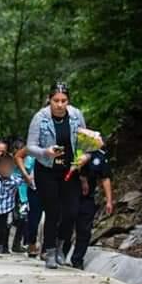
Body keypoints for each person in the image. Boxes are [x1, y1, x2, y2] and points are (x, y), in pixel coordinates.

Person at [25, 81, 90, 269]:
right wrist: (45, 152)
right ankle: (50, 251)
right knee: (52, 211)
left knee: (71, 211)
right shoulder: (40, 118)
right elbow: (30, 147)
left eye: (64, 101)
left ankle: (61, 245)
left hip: (70, 170)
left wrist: (84, 157)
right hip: (47, 170)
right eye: (56, 100)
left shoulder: (76, 115)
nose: (60, 105)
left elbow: (86, 144)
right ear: (49, 100)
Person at [63, 148, 114, 269]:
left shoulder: (100, 156)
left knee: (84, 229)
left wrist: (109, 201)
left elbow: (105, 178)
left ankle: (77, 259)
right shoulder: (72, 148)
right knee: (66, 224)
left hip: (87, 197)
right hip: (69, 194)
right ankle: (61, 253)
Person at [15, 143, 42, 257]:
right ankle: (31, 243)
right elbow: (18, 157)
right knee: (32, 220)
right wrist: (26, 175)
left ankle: (46, 249)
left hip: (52, 189)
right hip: (32, 189)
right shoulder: (34, 149)